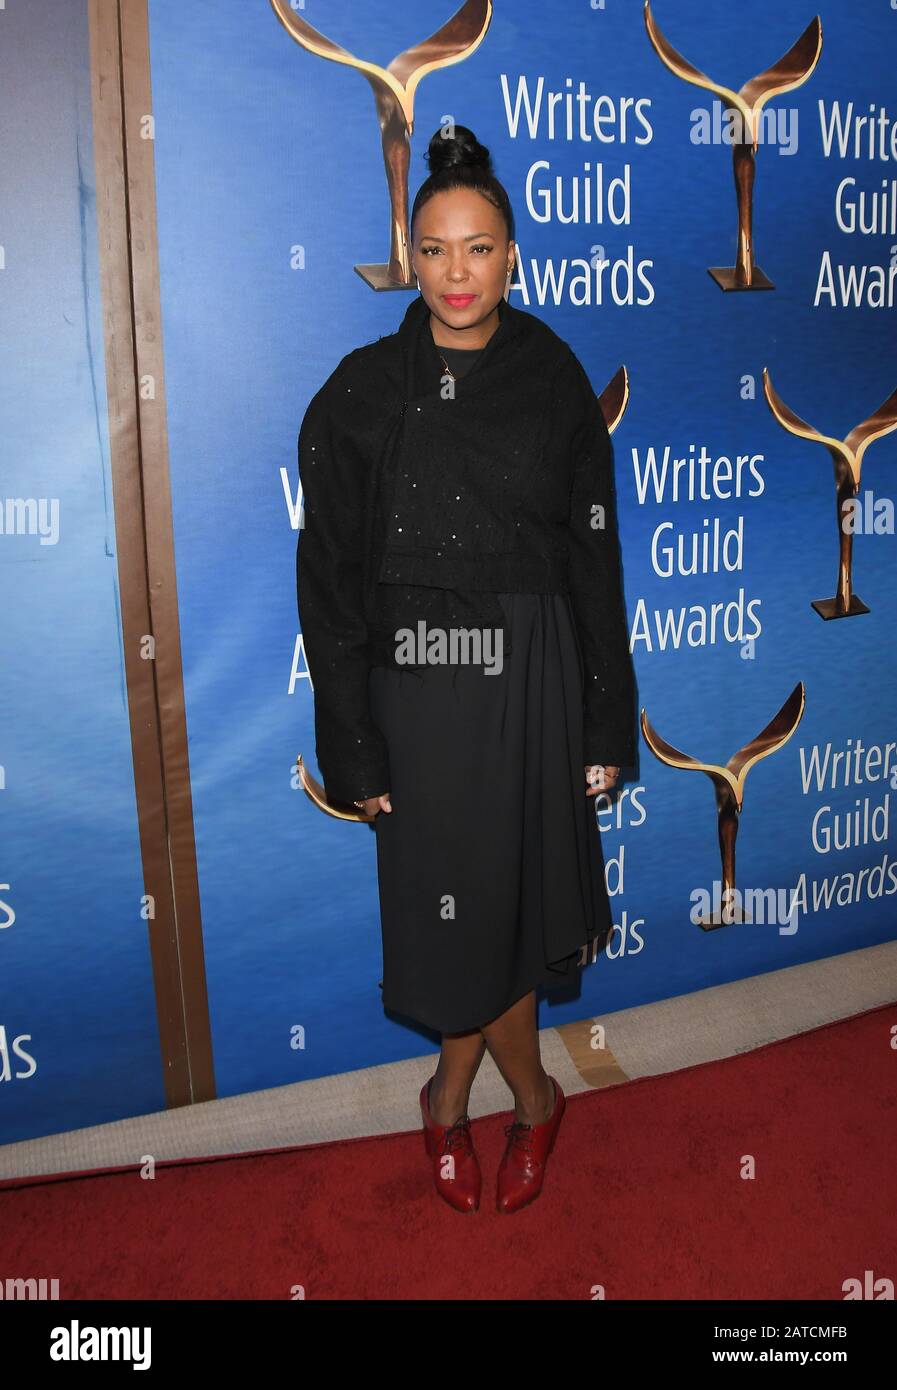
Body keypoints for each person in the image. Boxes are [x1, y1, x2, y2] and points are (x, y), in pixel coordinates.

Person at [297, 124, 637, 1214]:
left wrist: (601, 721)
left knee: (511, 911)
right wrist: (351, 740)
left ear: (513, 255)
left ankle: (458, 1102)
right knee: (458, 917)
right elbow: (332, 586)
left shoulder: (552, 376)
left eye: (480, 248)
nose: (457, 273)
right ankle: (525, 1100)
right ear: (409, 250)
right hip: (419, 692)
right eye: (436, 248)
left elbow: (594, 557)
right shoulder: (357, 394)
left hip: (532, 683)